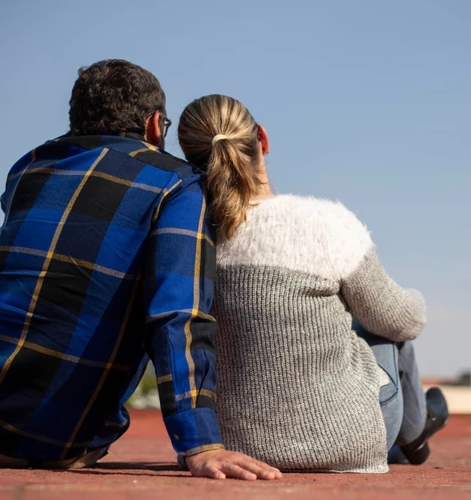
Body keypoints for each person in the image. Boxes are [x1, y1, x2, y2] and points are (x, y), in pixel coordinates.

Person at [0, 61, 281, 481]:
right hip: (54, 441)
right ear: (155, 125)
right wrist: (201, 444)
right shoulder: (179, 184)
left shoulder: (29, 167)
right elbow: (179, 315)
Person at [176, 94, 448, 473]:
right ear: (263, 140)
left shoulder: (187, 240)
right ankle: (415, 431)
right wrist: (416, 299)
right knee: (382, 324)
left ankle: (415, 432)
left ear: (192, 161)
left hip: (231, 447)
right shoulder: (327, 223)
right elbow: (402, 321)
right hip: (345, 441)